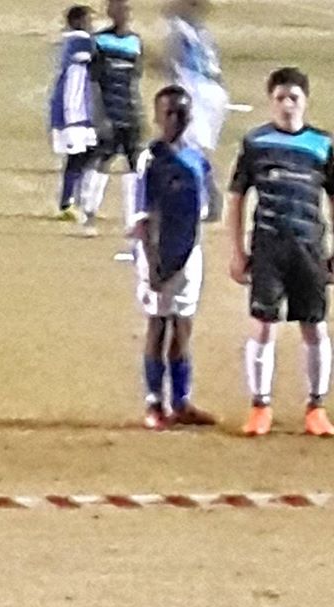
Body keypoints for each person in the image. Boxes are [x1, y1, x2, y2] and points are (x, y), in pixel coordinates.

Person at [228, 67, 334, 436]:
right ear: (270, 100)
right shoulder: (256, 143)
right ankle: (260, 405)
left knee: (315, 326)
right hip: (269, 248)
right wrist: (238, 251)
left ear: (305, 101)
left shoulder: (323, 144)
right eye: (281, 98)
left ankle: (316, 407)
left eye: (294, 98)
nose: (288, 105)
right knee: (263, 327)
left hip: (310, 248)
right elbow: (237, 197)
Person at [130, 85, 216, 430]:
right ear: (157, 116)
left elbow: (207, 208)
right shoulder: (151, 160)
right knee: (157, 325)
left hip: (189, 253)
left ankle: (180, 402)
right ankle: (154, 403)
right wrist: (152, 264)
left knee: (182, 327)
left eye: (182, 113)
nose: (176, 120)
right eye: (169, 113)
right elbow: (142, 218)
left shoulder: (197, 159)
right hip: (159, 253)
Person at [79, 0, 143, 237]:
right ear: (110, 13)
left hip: (129, 111)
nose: (122, 15)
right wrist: (99, 114)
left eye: (125, 11)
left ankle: (133, 220)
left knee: (135, 166)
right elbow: (93, 81)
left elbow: (135, 79)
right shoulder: (99, 42)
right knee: (101, 161)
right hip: (108, 111)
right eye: (117, 10)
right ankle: (89, 214)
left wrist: (137, 112)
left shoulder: (135, 42)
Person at [163, 0, 227, 221]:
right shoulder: (202, 31)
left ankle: (202, 201)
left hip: (196, 88)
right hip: (214, 91)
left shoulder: (179, 29)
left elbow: (173, 62)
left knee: (190, 148)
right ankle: (210, 198)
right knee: (198, 148)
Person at [49, 5, 97, 222]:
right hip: (73, 109)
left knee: (84, 156)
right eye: (88, 20)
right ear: (77, 22)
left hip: (78, 108)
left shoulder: (69, 40)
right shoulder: (78, 40)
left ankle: (74, 200)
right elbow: (95, 54)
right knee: (77, 157)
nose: (91, 25)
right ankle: (68, 203)